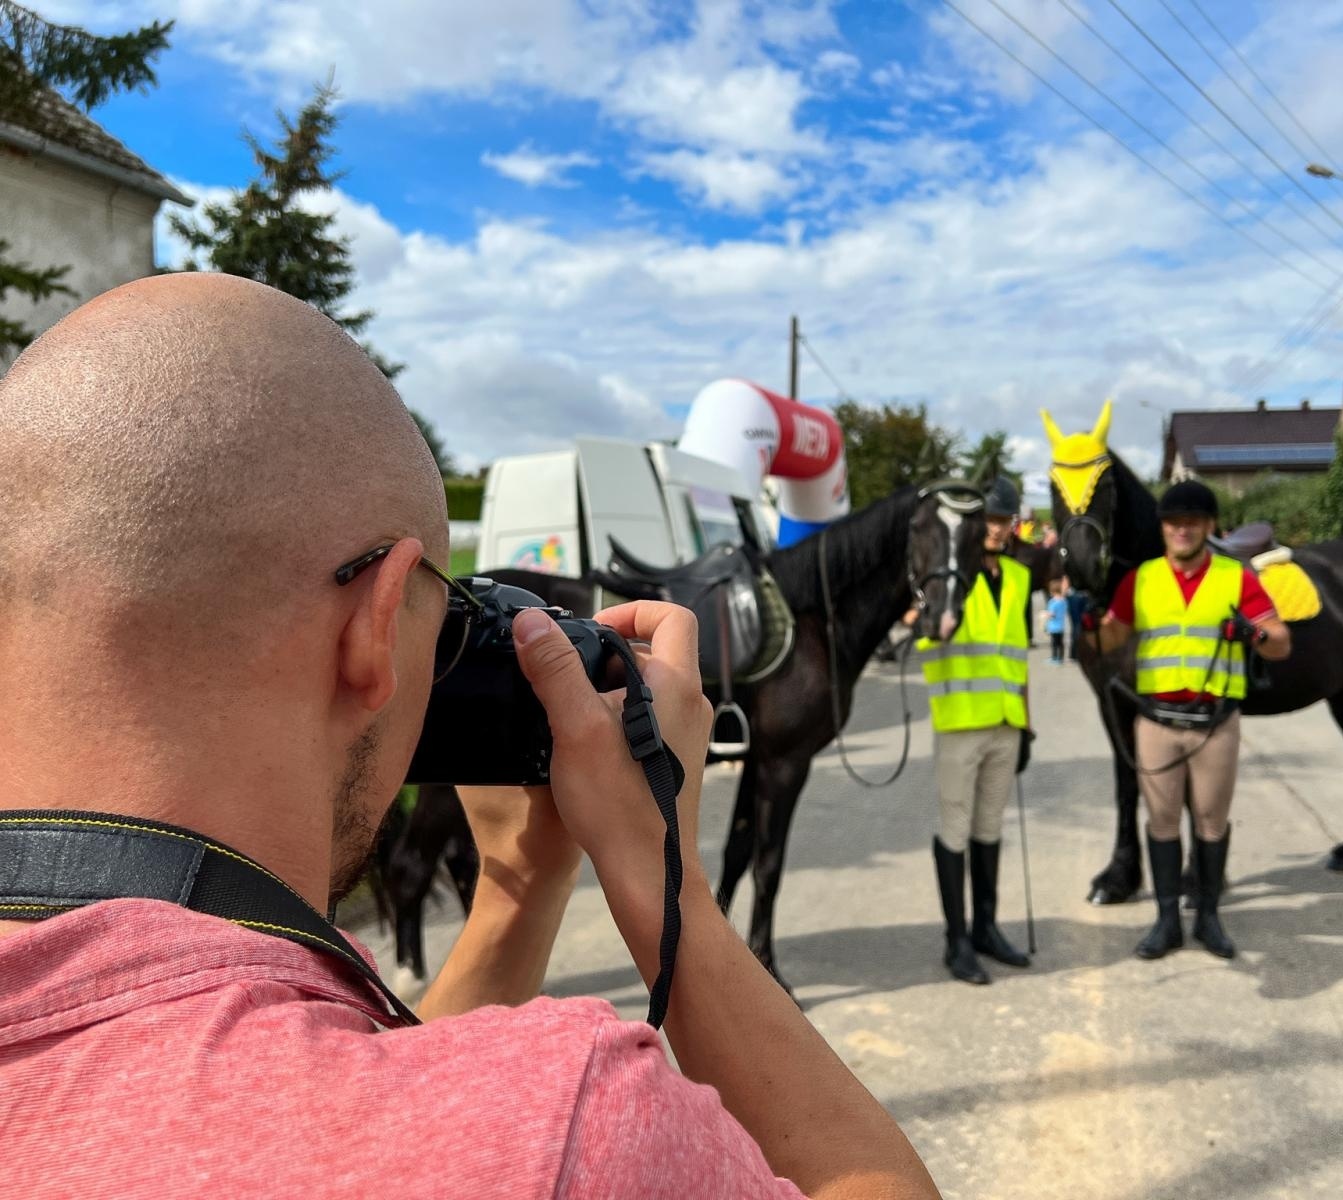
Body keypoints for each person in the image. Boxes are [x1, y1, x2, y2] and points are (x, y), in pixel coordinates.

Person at [0, 275, 938, 1200]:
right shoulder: (570, 1131)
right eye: (442, 621)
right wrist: (668, 885)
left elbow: (381, 1108)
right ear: (372, 628)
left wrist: (516, 893)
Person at [1082, 480, 1291, 960]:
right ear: (1163, 528)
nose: (1182, 529)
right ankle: (1167, 921)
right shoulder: (1142, 579)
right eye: (1174, 522)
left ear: (1209, 526)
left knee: (1211, 822)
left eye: (1193, 522)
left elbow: (1281, 642)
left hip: (1214, 722)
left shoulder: (1236, 578)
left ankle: (1211, 920)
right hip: (1155, 722)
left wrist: (1252, 634)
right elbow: (1113, 640)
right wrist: (1096, 623)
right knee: (1160, 822)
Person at [918, 476, 1034, 985]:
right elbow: (922, 637)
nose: (995, 528)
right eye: (987, 519)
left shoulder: (1019, 577)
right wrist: (931, 622)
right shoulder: (948, 577)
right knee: (957, 831)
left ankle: (986, 928)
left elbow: (1019, 656)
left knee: (990, 828)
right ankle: (956, 941)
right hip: (960, 723)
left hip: (1007, 725)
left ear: (1013, 525)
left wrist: (1028, 725)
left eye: (1002, 519)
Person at [1045, 577, 1069, 664]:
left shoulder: (1052, 602)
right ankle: (1061, 657)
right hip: (1061, 626)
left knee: (1054, 644)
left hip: (1053, 627)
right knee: (1060, 643)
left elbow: (1052, 614)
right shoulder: (1064, 601)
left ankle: (1054, 658)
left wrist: (1045, 614)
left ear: (1052, 592)